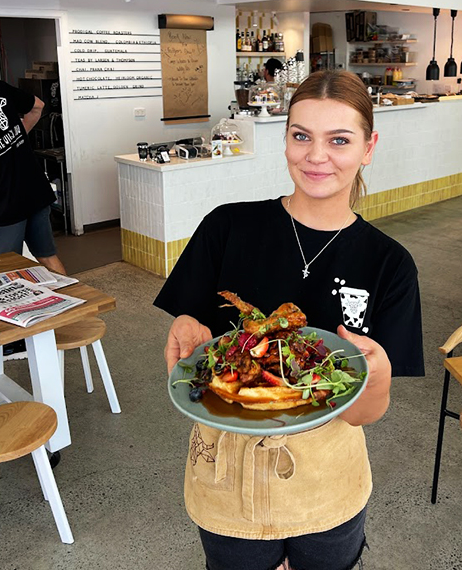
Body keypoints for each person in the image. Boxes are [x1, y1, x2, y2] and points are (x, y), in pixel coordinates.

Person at [154, 70, 424, 570]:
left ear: (369, 147)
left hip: (327, 482)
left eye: (339, 140)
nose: (315, 156)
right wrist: (188, 326)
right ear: (285, 140)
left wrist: (378, 375)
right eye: (301, 136)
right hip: (225, 473)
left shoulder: (390, 264)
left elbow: (363, 413)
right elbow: (196, 334)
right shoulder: (227, 226)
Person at [0, 79, 66, 274]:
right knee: (47, 256)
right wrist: (18, 137)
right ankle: (78, 302)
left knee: (6, 270)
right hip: (34, 191)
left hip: (1, 204)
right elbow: (38, 106)